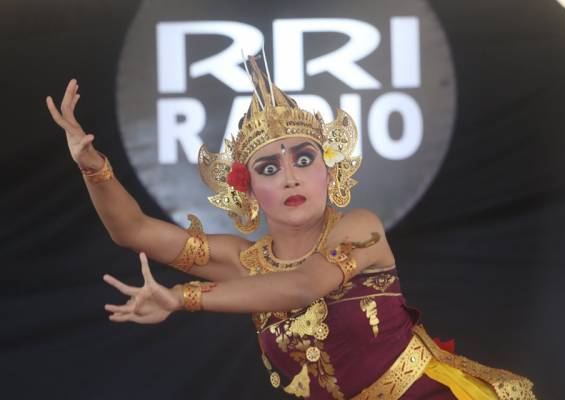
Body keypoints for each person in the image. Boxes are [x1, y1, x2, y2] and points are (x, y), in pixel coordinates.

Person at [46, 56, 536, 399]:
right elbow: (133, 231)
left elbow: (304, 285)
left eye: (304, 159)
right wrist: (93, 168)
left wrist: (183, 296)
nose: (290, 176)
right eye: (268, 168)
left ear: (329, 172)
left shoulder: (359, 230)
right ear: (248, 191)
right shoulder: (245, 263)